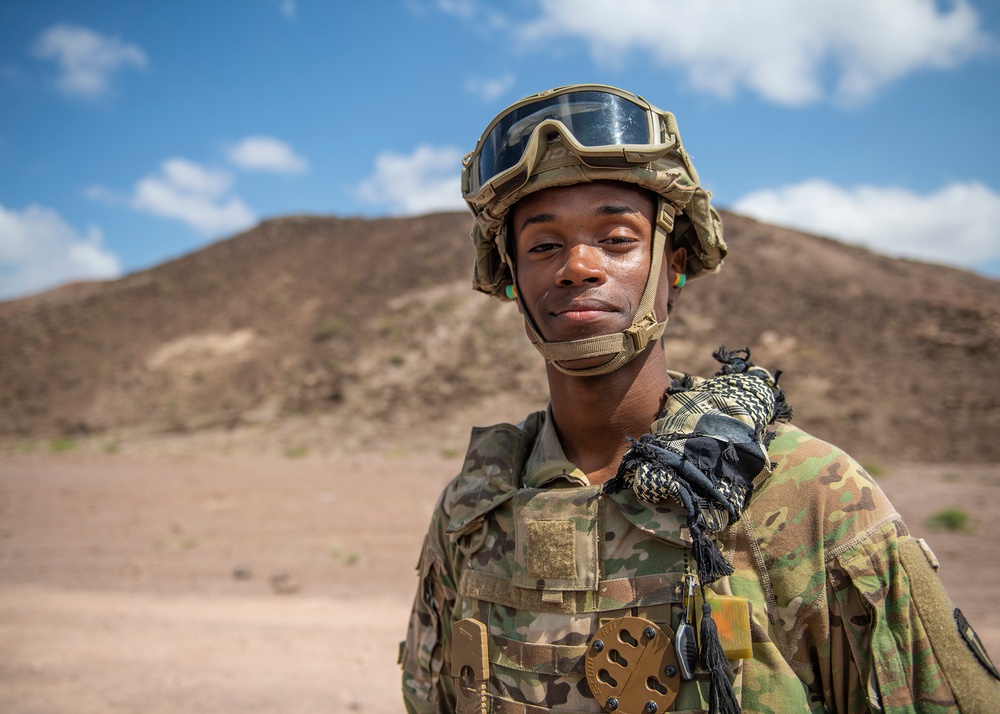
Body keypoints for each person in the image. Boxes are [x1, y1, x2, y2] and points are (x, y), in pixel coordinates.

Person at [400, 84, 1000, 713]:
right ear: (514, 281)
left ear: (674, 267)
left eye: (617, 238)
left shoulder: (808, 495)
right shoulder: (472, 511)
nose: (577, 265)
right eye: (543, 246)